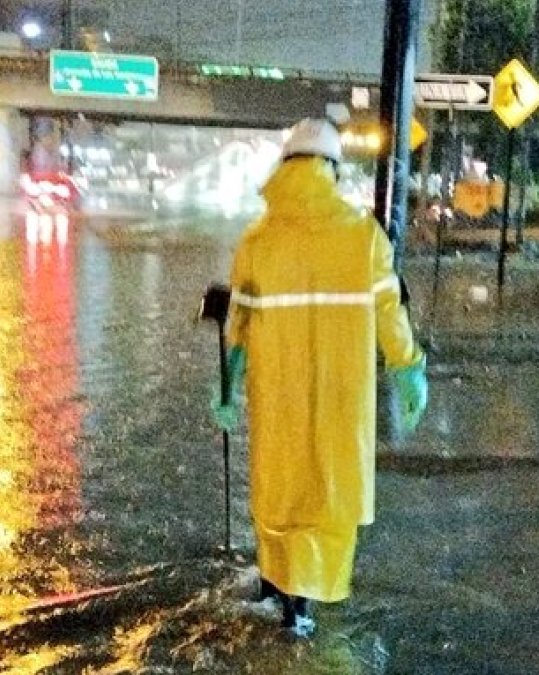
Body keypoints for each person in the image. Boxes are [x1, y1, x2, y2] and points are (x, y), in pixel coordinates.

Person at [213, 117, 429, 638]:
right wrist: (408, 369)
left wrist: (227, 391)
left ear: (286, 167)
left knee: (279, 493)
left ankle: (277, 588)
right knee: (329, 498)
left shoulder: (257, 240)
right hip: (342, 400)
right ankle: (306, 606)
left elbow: (236, 328)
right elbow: (390, 314)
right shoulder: (363, 237)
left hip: (277, 401)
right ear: (331, 168)